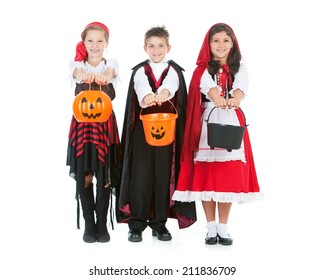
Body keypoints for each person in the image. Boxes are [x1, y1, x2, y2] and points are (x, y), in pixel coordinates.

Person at [172, 23, 263, 245]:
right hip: (207, 125)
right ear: (208, 44)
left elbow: (240, 89)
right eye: (216, 41)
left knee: (227, 178)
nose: (221, 45)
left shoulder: (240, 68)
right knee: (207, 177)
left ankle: (223, 228)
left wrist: (235, 99)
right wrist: (217, 98)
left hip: (231, 124)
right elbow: (209, 89)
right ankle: (210, 228)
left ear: (233, 44)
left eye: (226, 40)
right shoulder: (202, 70)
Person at [116, 26, 196, 242]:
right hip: (142, 132)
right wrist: (148, 97)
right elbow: (140, 85)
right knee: (140, 176)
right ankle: (137, 222)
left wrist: (163, 93)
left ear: (168, 47)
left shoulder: (175, 71)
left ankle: (159, 223)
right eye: (151, 45)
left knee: (163, 176)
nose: (156, 49)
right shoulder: (140, 70)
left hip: (167, 132)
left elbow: (172, 85)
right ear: (145, 48)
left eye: (161, 45)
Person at [66, 22, 121, 243]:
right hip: (83, 126)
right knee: (86, 175)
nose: (95, 45)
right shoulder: (76, 65)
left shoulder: (112, 64)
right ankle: (89, 224)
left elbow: (109, 73)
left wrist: (101, 76)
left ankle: (102, 224)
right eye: (90, 40)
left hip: (104, 126)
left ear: (106, 43)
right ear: (84, 42)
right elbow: (77, 71)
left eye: (100, 41)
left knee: (104, 175)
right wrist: (84, 74)